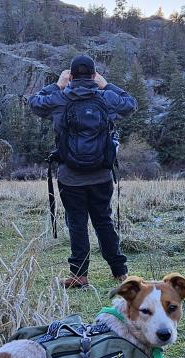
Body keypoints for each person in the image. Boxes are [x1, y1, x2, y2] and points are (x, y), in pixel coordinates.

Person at [30, 54, 138, 289]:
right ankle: (120, 272)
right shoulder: (106, 98)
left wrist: (58, 84)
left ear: (70, 75)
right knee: (103, 222)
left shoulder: (61, 99)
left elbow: (34, 103)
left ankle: (79, 275)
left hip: (70, 177)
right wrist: (106, 84)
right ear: (92, 75)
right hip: (101, 175)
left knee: (77, 223)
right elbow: (130, 103)